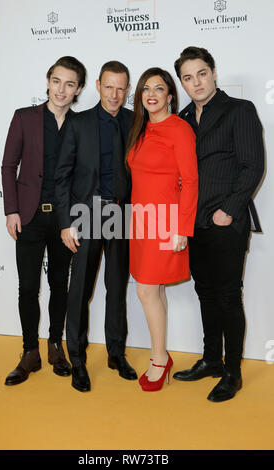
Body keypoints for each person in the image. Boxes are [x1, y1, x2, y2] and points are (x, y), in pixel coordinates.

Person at [173, 46, 264, 402]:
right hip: (194, 224)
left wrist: (228, 209)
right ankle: (211, 359)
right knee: (205, 292)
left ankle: (233, 371)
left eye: (202, 74)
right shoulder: (180, 119)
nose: (196, 82)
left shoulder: (238, 110)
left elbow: (253, 165)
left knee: (228, 296)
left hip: (227, 221)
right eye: (187, 77)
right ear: (181, 81)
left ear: (213, 73)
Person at [1, 56, 86, 385]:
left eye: (69, 84)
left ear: (78, 89)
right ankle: (28, 353)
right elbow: (9, 166)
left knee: (59, 287)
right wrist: (11, 210)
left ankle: (55, 346)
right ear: (48, 82)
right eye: (56, 81)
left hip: (65, 221)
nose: (61, 89)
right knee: (27, 288)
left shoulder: (81, 126)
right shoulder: (24, 118)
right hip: (29, 217)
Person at [55, 61, 137, 392]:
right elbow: (61, 176)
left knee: (117, 288)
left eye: (121, 88)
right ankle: (77, 359)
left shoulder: (135, 122)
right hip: (87, 212)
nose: (115, 94)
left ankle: (116, 354)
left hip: (121, 213)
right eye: (109, 87)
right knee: (80, 293)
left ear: (127, 90)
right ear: (99, 85)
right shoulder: (79, 123)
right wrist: (65, 223)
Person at [126, 68, 198, 392]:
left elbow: (191, 181)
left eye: (159, 88)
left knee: (144, 289)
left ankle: (159, 359)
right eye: (145, 88)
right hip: (141, 221)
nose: (151, 93)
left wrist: (182, 228)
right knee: (153, 290)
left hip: (166, 223)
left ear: (170, 95)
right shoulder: (139, 129)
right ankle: (161, 354)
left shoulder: (180, 130)